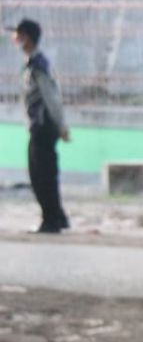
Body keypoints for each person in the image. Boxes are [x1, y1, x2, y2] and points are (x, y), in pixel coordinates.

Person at [9, 19, 70, 234]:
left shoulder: (38, 67)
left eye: (18, 35)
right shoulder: (32, 64)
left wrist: (61, 125)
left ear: (26, 38)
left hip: (43, 127)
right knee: (43, 174)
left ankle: (51, 220)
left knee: (41, 176)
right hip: (39, 127)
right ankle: (58, 216)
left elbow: (52, 97)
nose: (14, 39)